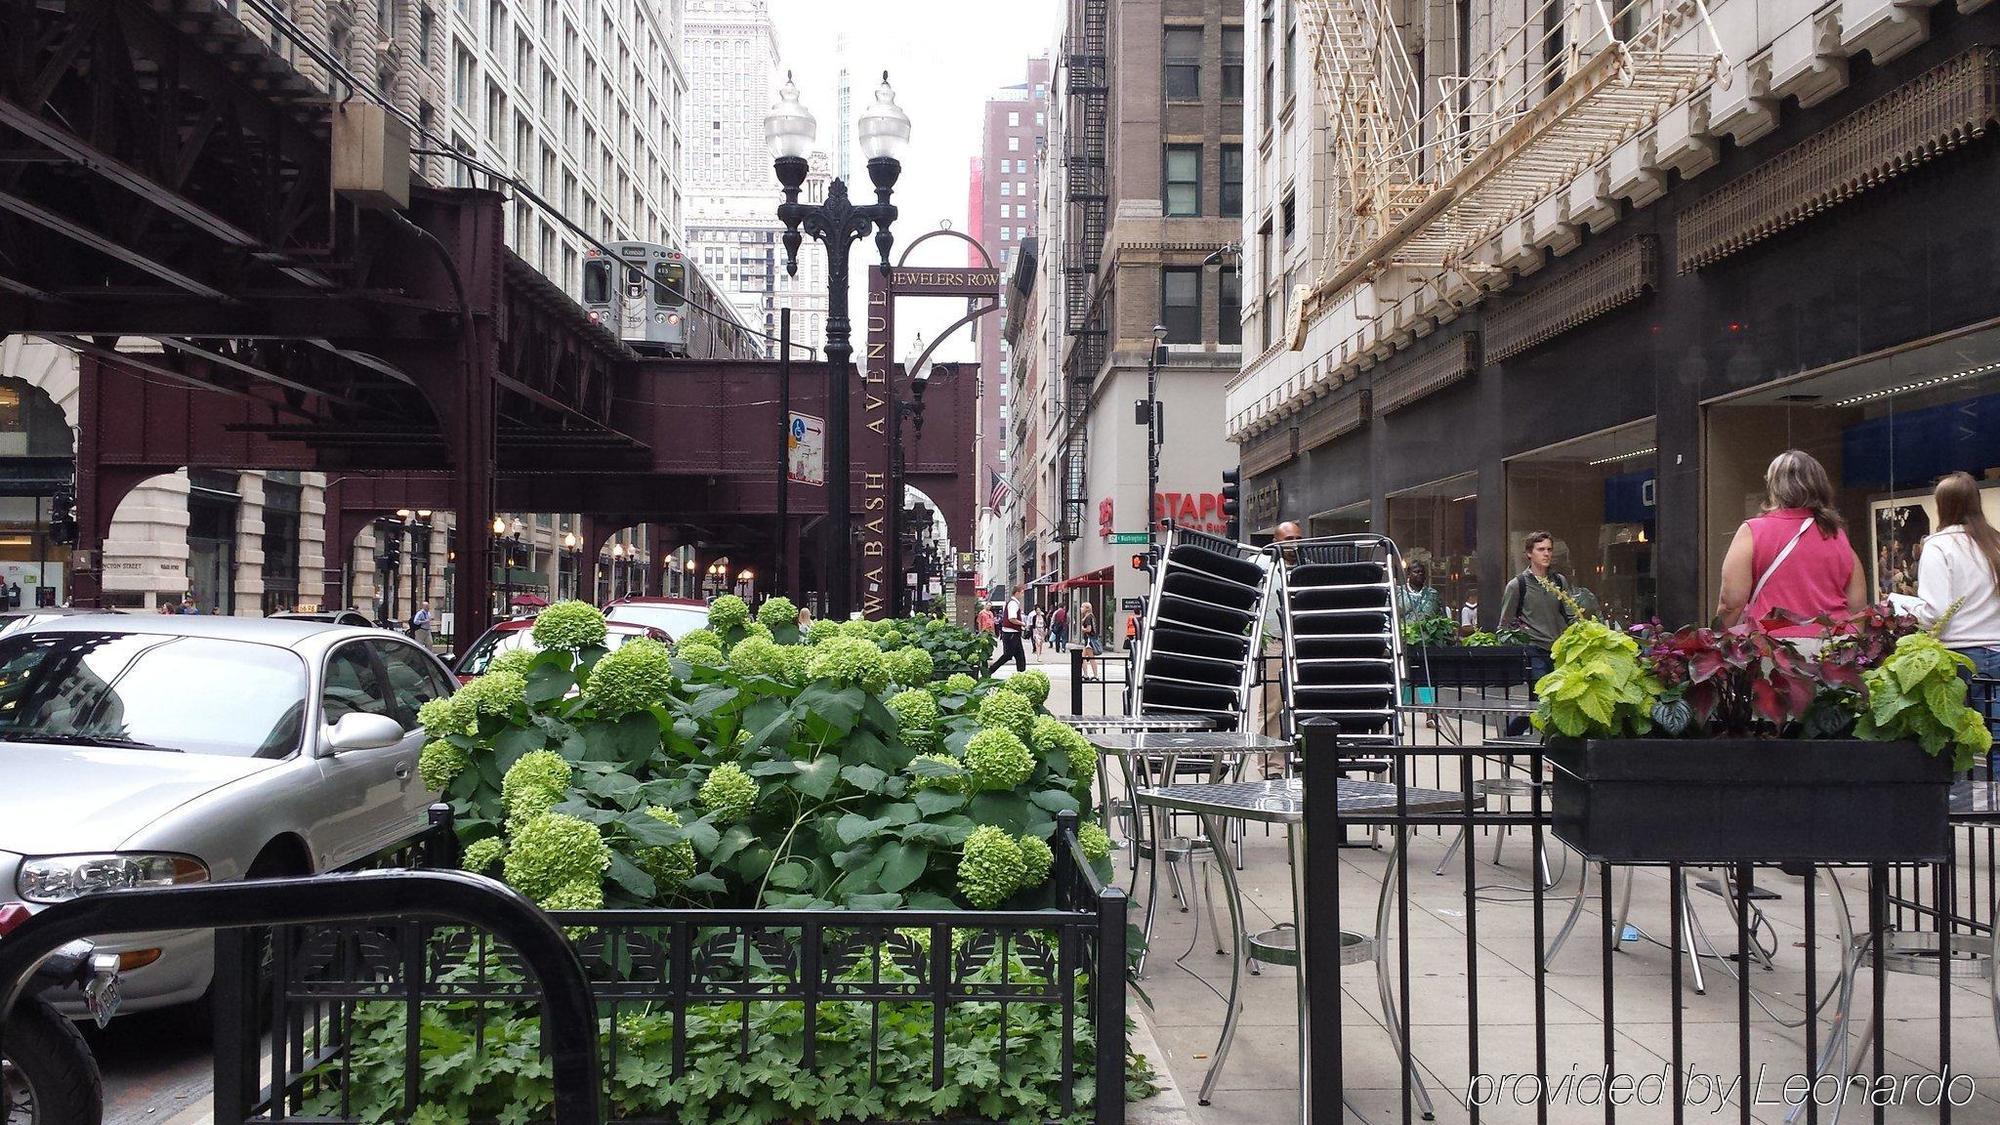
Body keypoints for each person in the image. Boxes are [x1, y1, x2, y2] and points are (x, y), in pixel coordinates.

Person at [1716, 449, 1866, 655]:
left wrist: (1718, 644)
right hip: (1834, 647)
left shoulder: (1753, 531)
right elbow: (1858, 609)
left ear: (1774, 487)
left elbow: (1731, 603)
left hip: (1776, 650)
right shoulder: (1838, 536)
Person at [1913, 472, 2000, 684]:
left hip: (1961, 656)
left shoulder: (1938, 545)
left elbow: (1936, 611)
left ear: (1942, 506)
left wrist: (1912, 611)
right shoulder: (1995, 542)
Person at [1498, 532, 1573, 682]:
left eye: (1549, 549)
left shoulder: (1559, 581)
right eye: (1541, 549)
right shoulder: (1517, 585)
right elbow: (1504, 624)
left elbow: (1571, 615)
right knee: (1539, 697)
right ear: (1529, 553)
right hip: (1533, 650)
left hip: (1559, 650)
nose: (1546, 554)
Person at [987, 585, 1027, 674]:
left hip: (1012, 633)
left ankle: (1021, 673)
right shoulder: (1013, 604)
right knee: (1008, 655)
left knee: (1019, 655)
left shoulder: (1013, 603)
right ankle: (990, 670)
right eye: (1022, 593)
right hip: (1011, 633)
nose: (1022, 595)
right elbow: (1012, 618)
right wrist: (1022, 623)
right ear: (1017, 593)